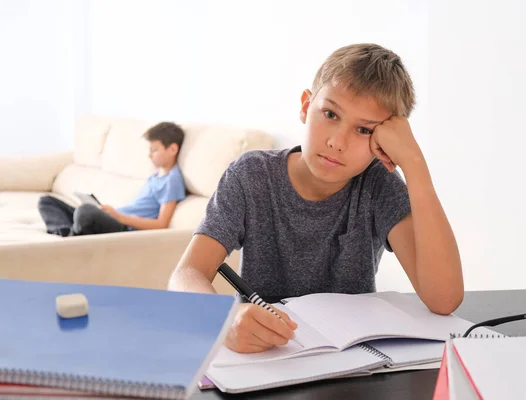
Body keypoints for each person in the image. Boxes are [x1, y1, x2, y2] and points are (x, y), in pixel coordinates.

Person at [169, 43, 464, 354]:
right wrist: (223, 320)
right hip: (267, 356)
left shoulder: (380, 186)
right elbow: (186, 274)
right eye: (330, 113)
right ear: (305, 106)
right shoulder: (251, 176)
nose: (337, 142)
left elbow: (444, 299)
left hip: (352, 363)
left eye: (364, 130)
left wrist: (414, 163)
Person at [37, 122, 186, 236]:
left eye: (154, 150)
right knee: (47, 201)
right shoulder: (155, 176)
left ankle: (75, 232)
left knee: (85, 211)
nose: (149, 155)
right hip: (115, 218)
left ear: (172, 149)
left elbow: (162, 224)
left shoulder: (171, 180)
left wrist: (119, 217)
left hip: (123, 227)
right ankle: (68, 233)